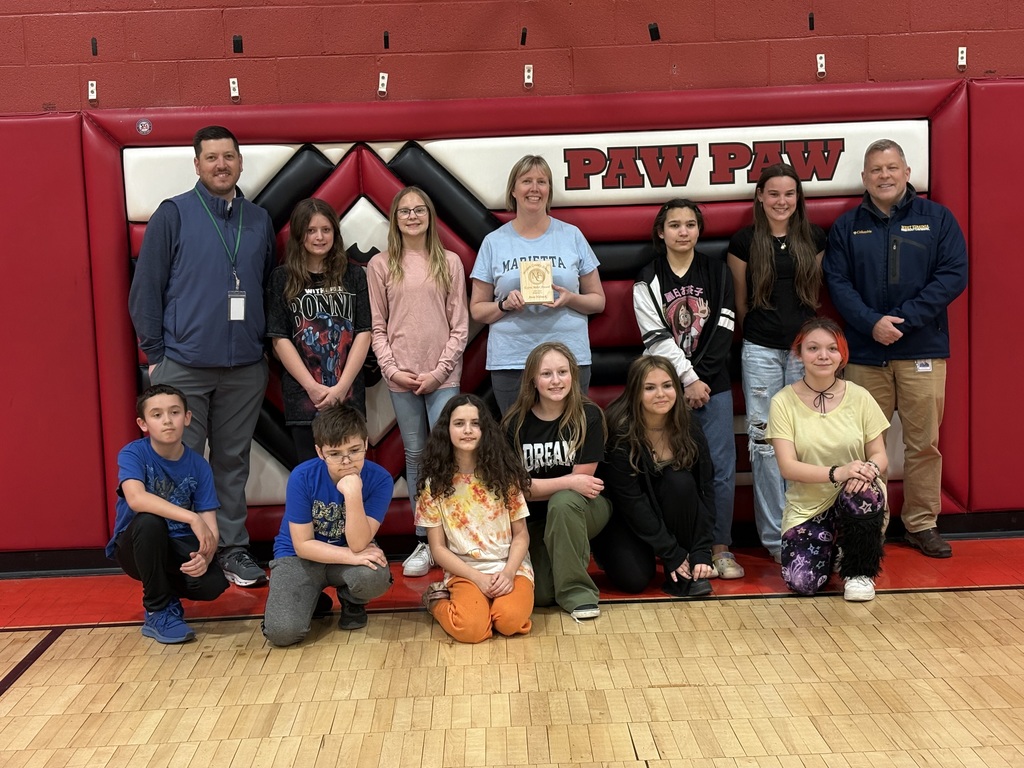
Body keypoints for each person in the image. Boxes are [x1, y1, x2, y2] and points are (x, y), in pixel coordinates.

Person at [129, 125, 275, 588]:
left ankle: (232, 549)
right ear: (197, 164)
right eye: (210, 158)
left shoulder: (259, 220)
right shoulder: (173, 215)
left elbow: (265, 284)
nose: (220, 165)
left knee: (232, 461)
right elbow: (145, 291)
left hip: (245, 368)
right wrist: (156, 356)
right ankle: (181, 550)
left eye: (228, 157)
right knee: (179, 460)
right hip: (183, 365)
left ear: (240, 162)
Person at [824, 139, 968, 558]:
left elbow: (953, 275)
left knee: (924, 444)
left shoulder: (937, 219)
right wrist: (871, 323)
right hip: (866, 356)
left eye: (892, 168)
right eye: (875, 170)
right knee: (866, 446)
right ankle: (872, 524)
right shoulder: (847, 227)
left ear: (907, 173)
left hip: (922, 350)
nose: (884, 176)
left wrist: (901, 321)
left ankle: (922, 524)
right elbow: (837, 282)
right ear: (865, 178)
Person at [634, 199, 741, 579]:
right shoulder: (647, 278)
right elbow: (657, 339)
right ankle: (678, 551)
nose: (683, 232)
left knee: (721, 469)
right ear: (661, 232)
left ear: (699, 230)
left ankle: (720, 548)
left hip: (713, 386)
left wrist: (702, 379)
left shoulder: (718, 271)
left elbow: (725, 325)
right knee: (672, 470)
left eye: (690, 225)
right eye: (675, 225)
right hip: (666, 389)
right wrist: (686, 380)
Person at [727, 164, 827, 563]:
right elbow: (741, 303)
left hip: (804, 352)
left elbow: (813, 296)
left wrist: (808, 349)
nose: (781, 201)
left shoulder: (814, 238)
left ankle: (809, 528)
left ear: (798, 198)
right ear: (760, 197)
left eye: (789, 194)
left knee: (808, 440)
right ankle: (775, 537)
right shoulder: (744, 241)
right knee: (765, 444)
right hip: (760, 350)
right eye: (773, 194)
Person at [367, 186, 469, 578]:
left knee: (450, 454)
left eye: (419, 209)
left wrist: (439, 372)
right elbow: (378, 328)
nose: (412, 216)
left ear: (430, 215)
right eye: (404, 210)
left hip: (441, 377)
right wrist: (393, 371)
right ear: (394, 218)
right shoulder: (381, 265)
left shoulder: (450, 262)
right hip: (401, 378)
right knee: (415, 456)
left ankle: (456, 539)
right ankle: (426, 540)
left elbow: (460, 328)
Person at [470, 155, 606, 414]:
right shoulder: (493, 242)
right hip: (512, 361)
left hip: (568, 359)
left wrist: (570, 298)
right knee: (518, 442)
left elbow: (598, 301)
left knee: (570, 440)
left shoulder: (572, 235)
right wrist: (504, 304)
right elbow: (477, 310)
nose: (534, 188)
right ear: (513, 190)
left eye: (541, 182)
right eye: (526, 181)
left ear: (549, 190)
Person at [767, 317, 890, 601]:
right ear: (799, 353)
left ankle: (860, 571)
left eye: (832, 348)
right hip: (808, 506)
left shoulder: (860, 397)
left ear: (842, 354)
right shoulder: (782, 402)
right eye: (813, 348)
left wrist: (869, 469)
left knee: (863, 493)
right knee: (802, 583)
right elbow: (788, 467)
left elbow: (879, 454)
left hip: (854, 495)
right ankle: (833, 549)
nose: (823, 356)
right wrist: (840, 471)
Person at [262, 403, 394, 646]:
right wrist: (352, 556)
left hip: (347, 553)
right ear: (320, 452)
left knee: (373, 575)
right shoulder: (302, 477)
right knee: (282, 634)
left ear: (366, 444)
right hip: (300, 558)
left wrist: (353, 493)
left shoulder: (380, 479)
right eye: (335, 454)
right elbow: (302, 546)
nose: (346, 461)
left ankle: (351, 600)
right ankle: (310, 597)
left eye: (354, 450)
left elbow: (358, 543)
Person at [107, 384, 229, 644]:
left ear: (186, 418)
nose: (167, 421)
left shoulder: (199, 465)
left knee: (213, 584)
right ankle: (158, 609)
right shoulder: (133, 453)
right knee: (150, 522)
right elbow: (136, 499)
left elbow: (211, 526)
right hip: (136, 545)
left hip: (176, 544)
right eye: (157, 414)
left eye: (174, 413)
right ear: (143, 423)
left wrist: (206, 556)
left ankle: (165, 590)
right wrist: (190, 517)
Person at [501, 342, 611, 620]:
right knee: (542, 597)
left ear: (573, 375)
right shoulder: (514, 423)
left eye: (562, 372)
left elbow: (583, 485)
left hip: (585, 510)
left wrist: (548, 487)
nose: (555, 380)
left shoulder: (589, 416)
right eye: (546, 374)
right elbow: (518, 491)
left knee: (563, 502)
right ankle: (563, 572)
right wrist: (568, 481)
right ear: (533, 381)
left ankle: (578, 594)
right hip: (536, 519)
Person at [416, 394, 534, 643]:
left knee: (510, 621)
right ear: (446, 430)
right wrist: (478, 579)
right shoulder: (434, 485)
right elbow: (437, 549)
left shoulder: (505, 475)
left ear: (485, 429)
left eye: (475, 423)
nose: (467, 430)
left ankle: (490, 606)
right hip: (465, 571)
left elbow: (521, 534)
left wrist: (510, 573)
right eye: (459, 423)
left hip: (510, 567)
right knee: (472, 630)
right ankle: (436, 602)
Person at [595, 357, 715, 597]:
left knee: (680, 482)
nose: (661, 394)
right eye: (650, 388)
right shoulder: (619, 429)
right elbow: (631, 502)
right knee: (634, 580)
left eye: (667, 385)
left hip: (669, 508)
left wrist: (702, 549)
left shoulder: (688, 424)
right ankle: (632, 553)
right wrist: (671, 552)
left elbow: (705, 488)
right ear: (635, 391)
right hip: (625, 517)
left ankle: (683, 574)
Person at [266, 198, 371, 463]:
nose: (319, 237)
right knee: (310, 472)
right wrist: (312, 387)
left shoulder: (354, 275)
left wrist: (341, 386)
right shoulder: (282, 278)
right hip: (303, 398)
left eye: (326, 230)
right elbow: (279, 339)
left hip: (348, 398)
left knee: (349, 470)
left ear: (335, 233)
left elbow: (364, 333)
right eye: (311, 230)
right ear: (299, 234)